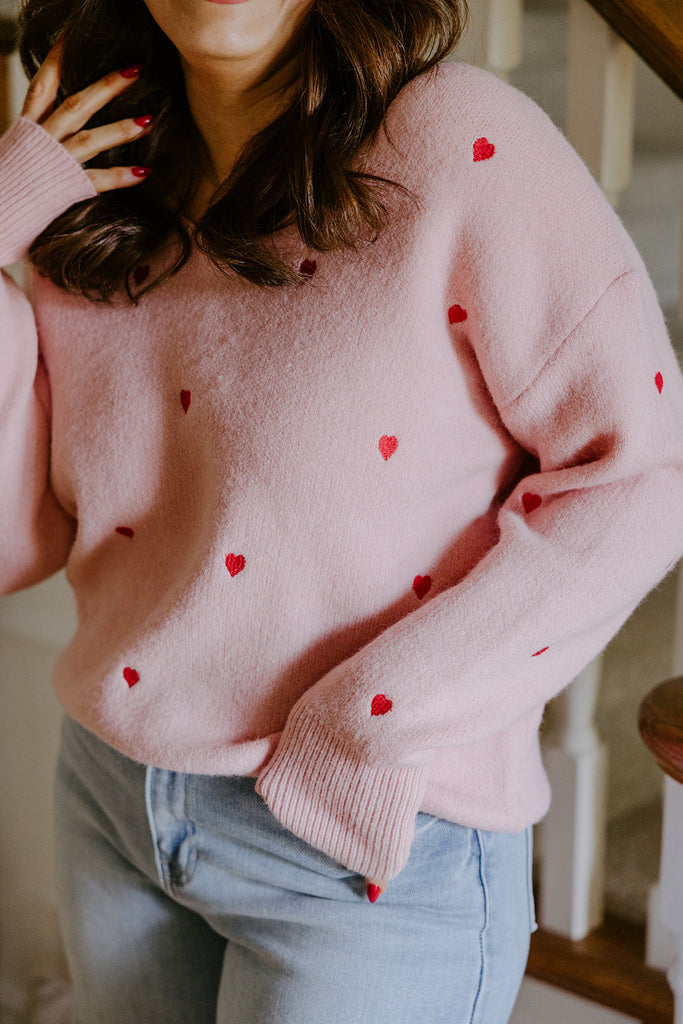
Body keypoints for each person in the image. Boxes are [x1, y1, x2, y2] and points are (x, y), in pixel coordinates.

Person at [1, 0, 682, 1021]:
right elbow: (16, 541)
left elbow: (638, 477)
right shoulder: (80, 180)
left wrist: (373, 717)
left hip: (365, 843)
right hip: (116, 798)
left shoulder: (454, 144)